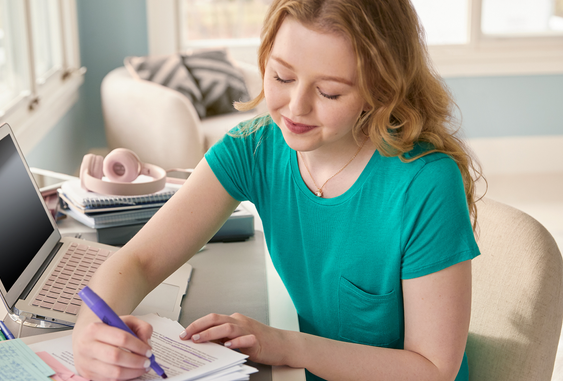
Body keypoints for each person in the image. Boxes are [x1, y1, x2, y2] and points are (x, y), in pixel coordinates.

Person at [72, 0, 483, 380]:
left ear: (381, 89)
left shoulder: (425, 182)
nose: (295, 107)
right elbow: (140, 260)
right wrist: (90, 335)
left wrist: (284, 344)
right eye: (281, 76)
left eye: (329, 92)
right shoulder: (254, 148)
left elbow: (432, 370)